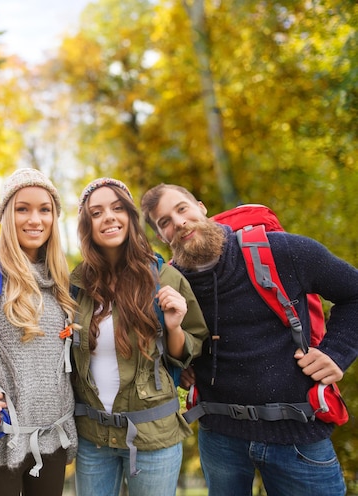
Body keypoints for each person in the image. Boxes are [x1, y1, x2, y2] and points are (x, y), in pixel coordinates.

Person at [141, 183, 358, 496]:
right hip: (219, 438)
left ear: (201, 208)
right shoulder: (170, 285)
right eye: (164, 222)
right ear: (161, 237)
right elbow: (161, 344)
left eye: (182, 209)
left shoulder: (281, 252)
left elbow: (353, 292)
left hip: (297, 435)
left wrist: (337, 353)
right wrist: (181, 365)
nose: (178, 222)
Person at [71, 178, 208, 496]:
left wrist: (174, 327)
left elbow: (190, 350)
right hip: (93, 438)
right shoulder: (75, 286)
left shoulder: (166, 277)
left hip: (153, 438)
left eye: (118, 208)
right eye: (96, 212)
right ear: (86, 225)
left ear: (131, 218)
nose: (109, 217)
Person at [0, 168, 78, 496]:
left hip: (51, 443)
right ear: (6, 215)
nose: (35, 219)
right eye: (23, 208)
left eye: (44, 209)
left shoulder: (63, 282)